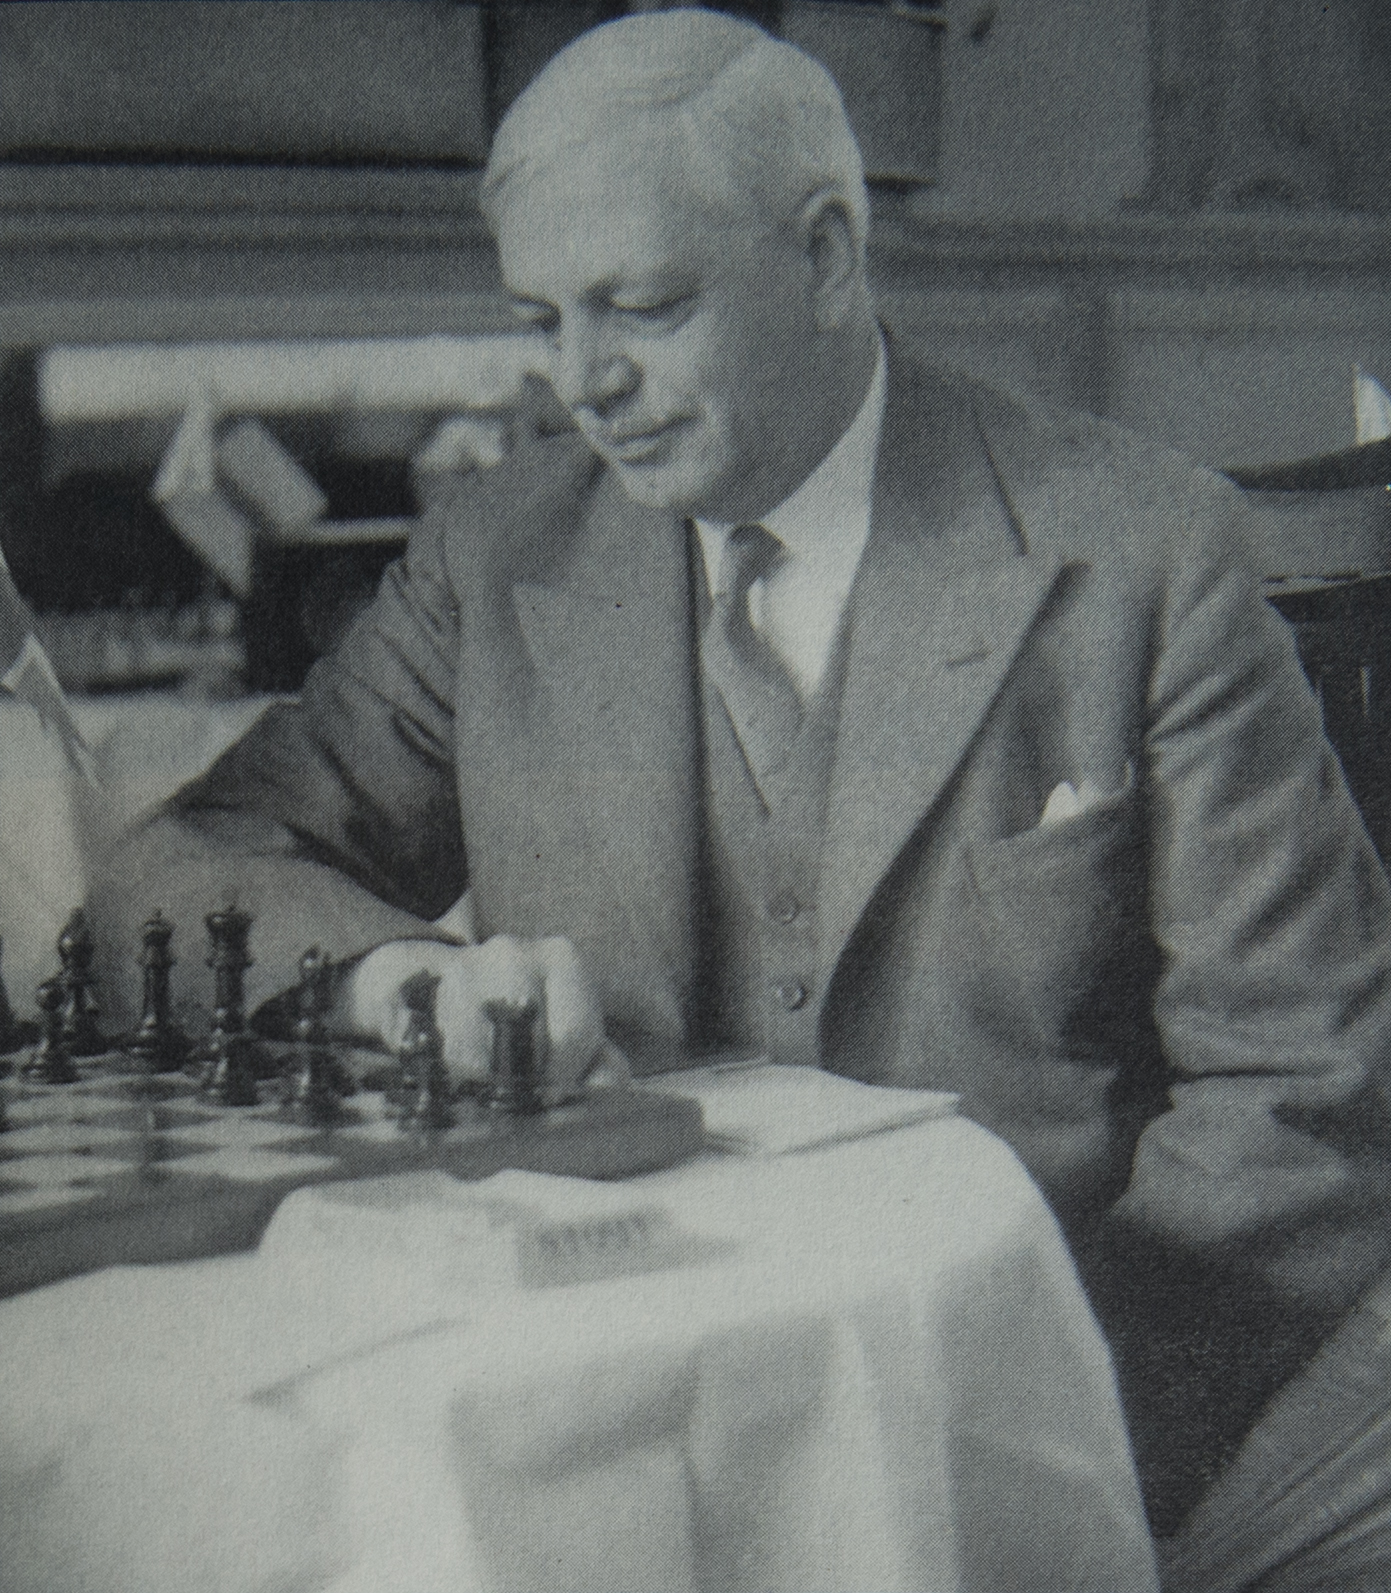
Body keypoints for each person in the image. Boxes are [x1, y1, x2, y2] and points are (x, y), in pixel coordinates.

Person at [95, 8, 1391, 1583]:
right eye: (544, 318)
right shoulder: (496, 555)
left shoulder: (1141, 550)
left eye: (642, 306)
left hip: (1074, 1367)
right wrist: (397, 976)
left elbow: (1306, 1093)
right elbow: (185, 864)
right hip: (626, 1393)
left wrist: (1003, 1426)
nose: (584, 382)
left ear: (831, 254)